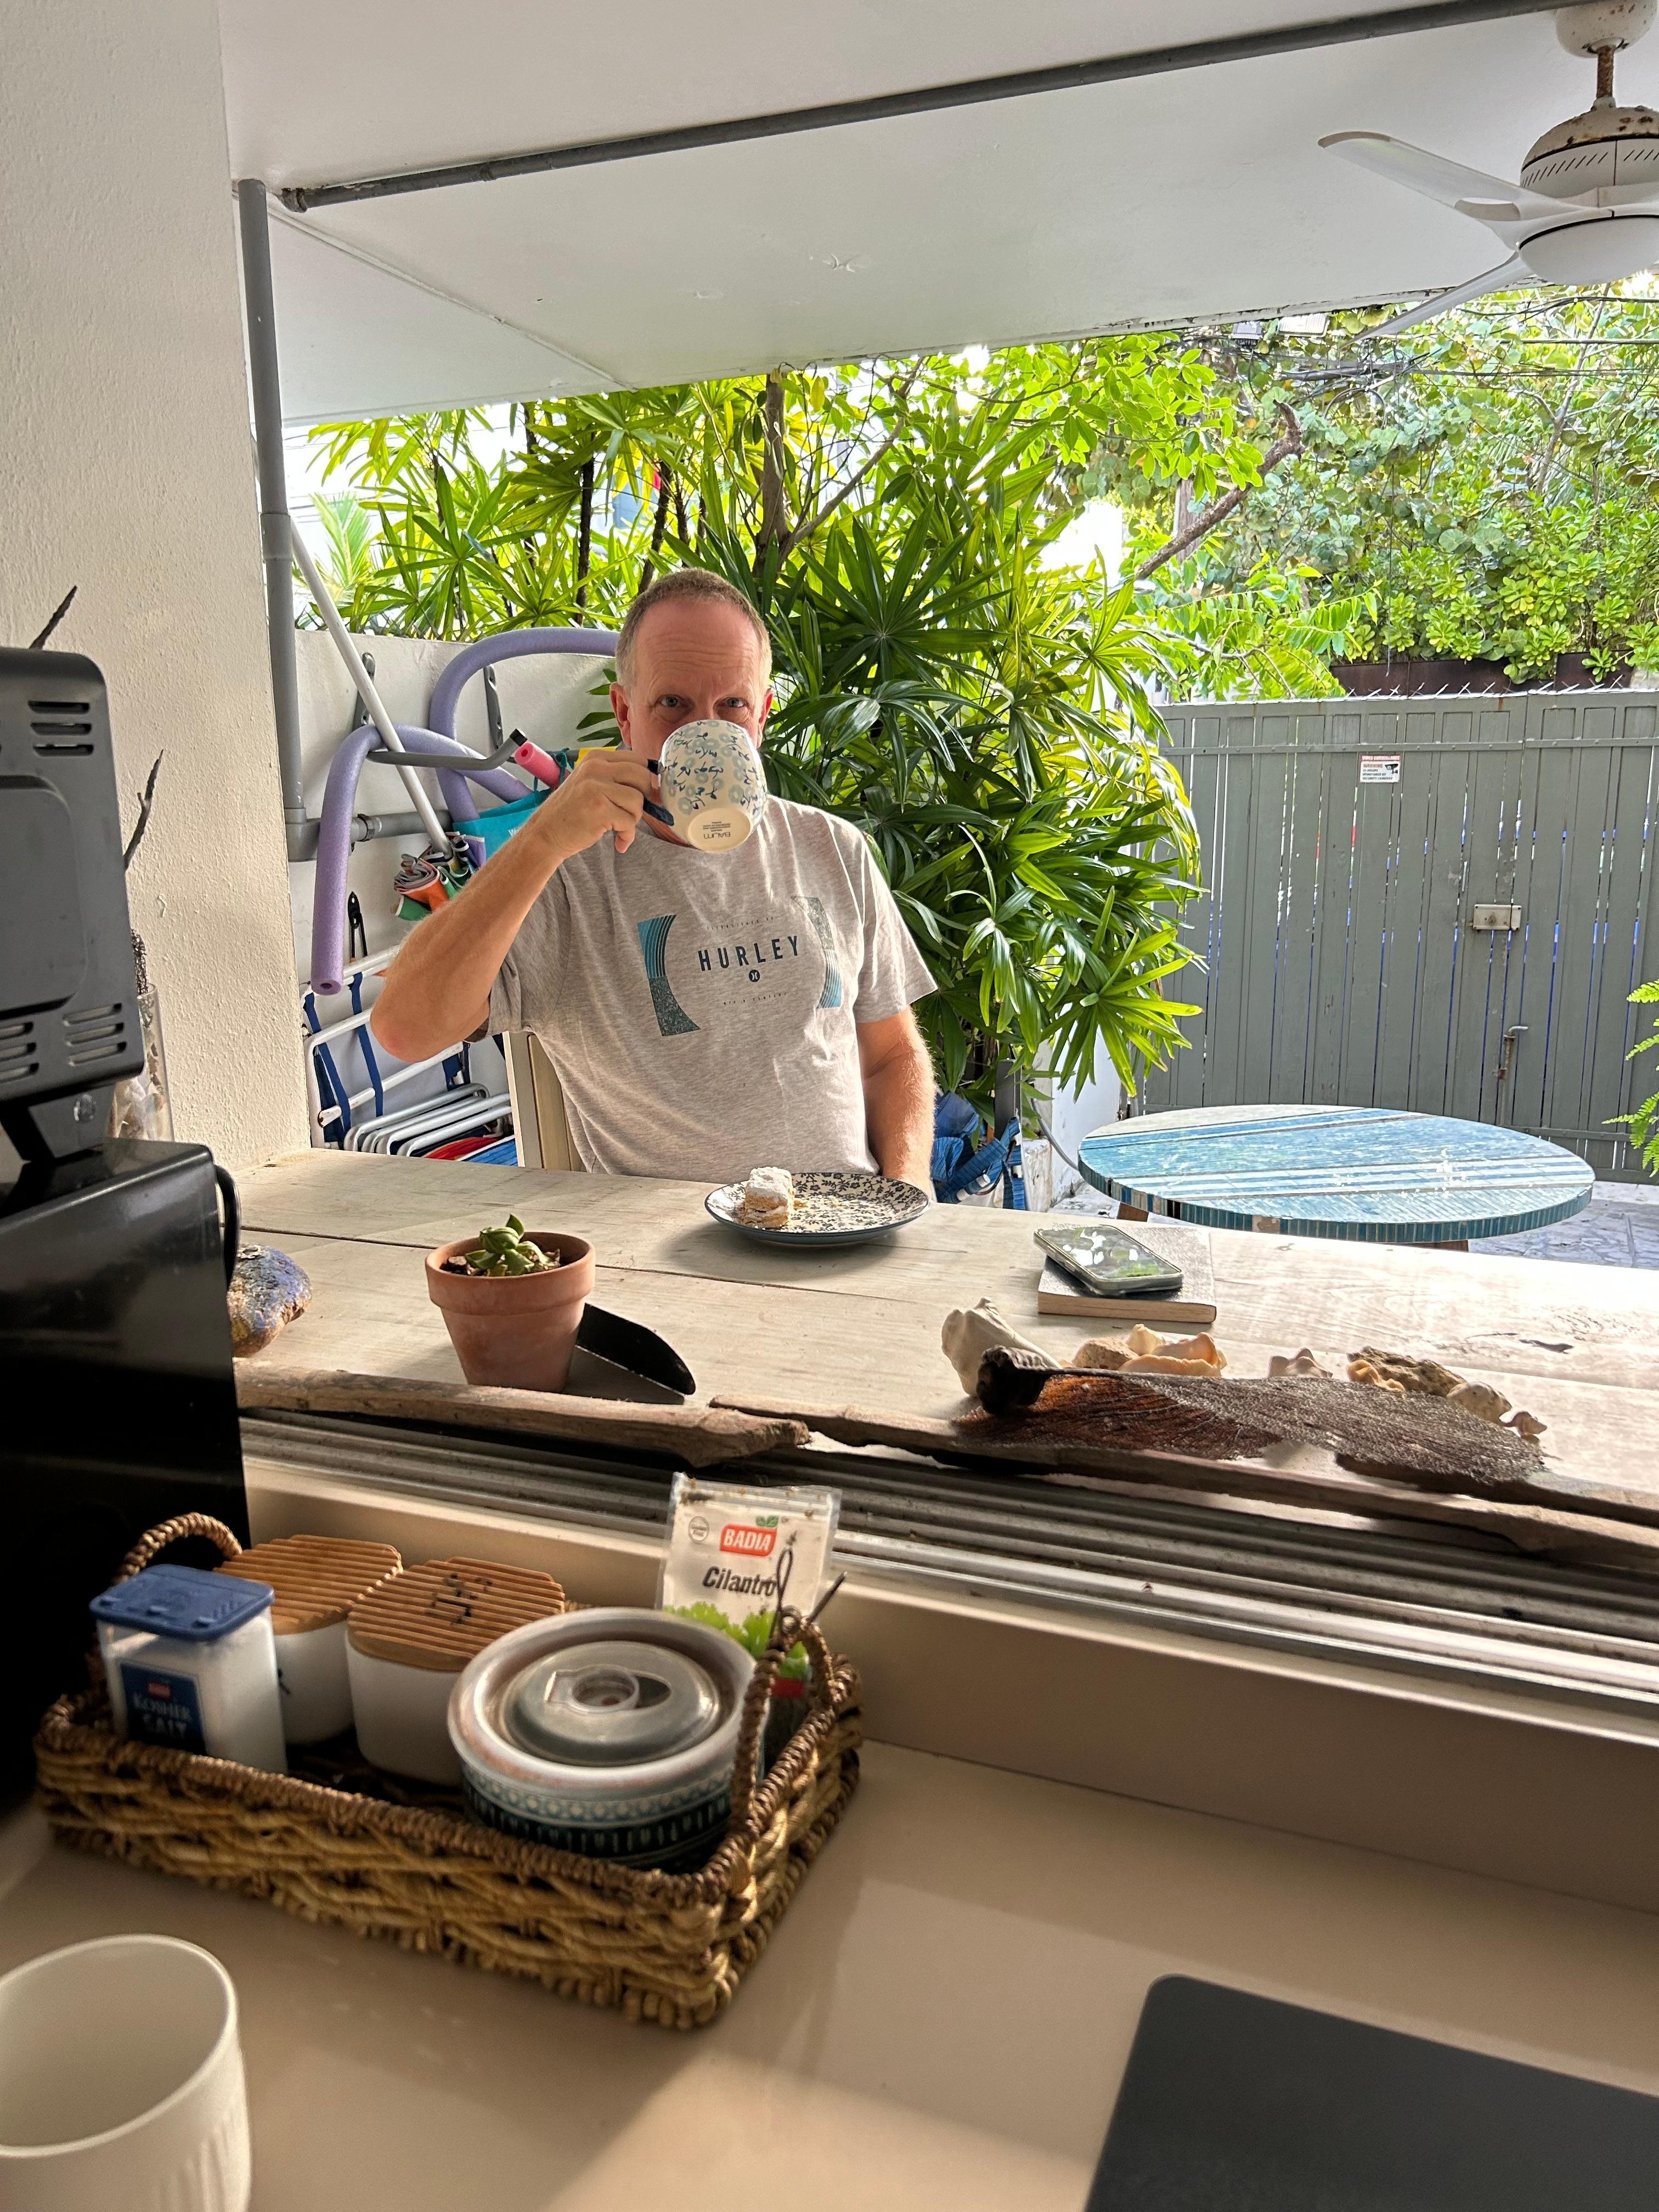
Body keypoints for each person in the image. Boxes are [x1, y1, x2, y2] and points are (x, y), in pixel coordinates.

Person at [370, 567, 937, 1185]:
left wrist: (907, 1193)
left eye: (733, 706)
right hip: (666, 1260)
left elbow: (890, 1056)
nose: (705, 729)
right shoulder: (563, 874)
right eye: (673, 704)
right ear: (625, 713)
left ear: (763, 716)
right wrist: (539, 840)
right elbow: (405, 1028)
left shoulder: (833, 848)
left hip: (842, 1232)